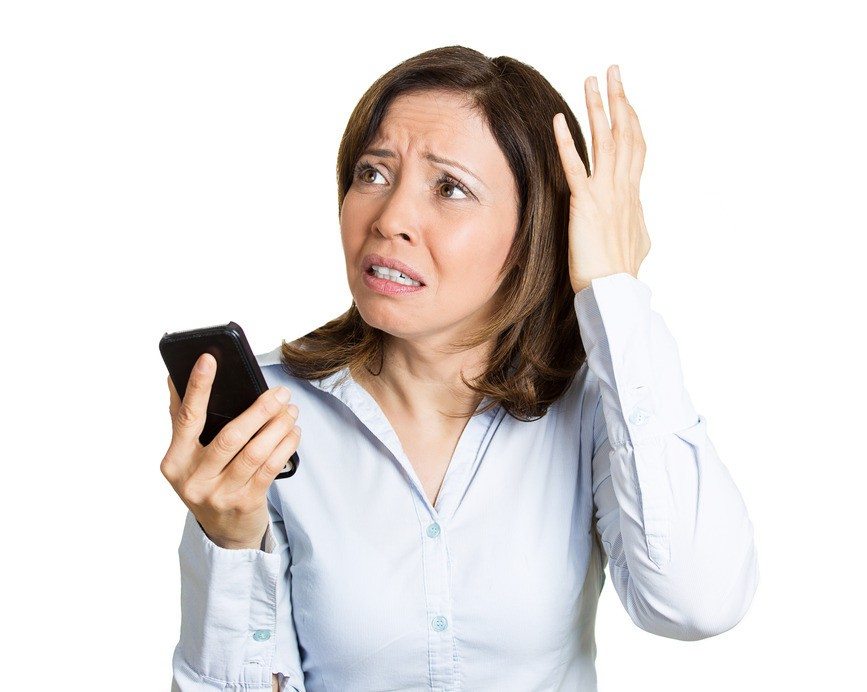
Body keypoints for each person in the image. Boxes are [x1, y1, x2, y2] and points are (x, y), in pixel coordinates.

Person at [161, 46, 759, 692]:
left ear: (535, 229)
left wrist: (610, 292)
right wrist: (228, 545)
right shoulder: (273, 415)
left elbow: (696, 600)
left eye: (448, 188)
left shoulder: (590, 401)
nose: (389, 220)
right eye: (372, 174)